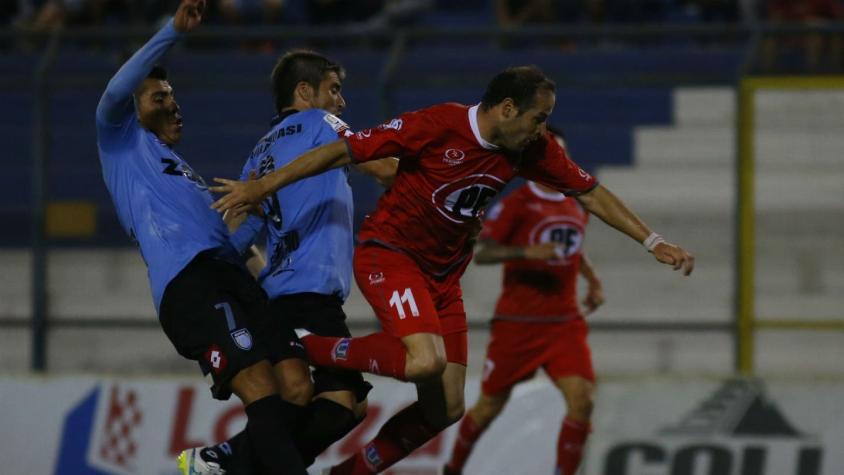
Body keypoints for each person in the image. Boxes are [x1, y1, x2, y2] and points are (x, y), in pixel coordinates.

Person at [210, 65, 695, 474]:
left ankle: (348, 472)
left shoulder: (530, 149)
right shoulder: (439, 124)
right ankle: (304, 343)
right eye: (538, 119)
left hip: (443, 279)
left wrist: (652, 240)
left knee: (446, 409)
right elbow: (347, 150)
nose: (542, 130)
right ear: (506, 109)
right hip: (390, 255)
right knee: (425, 360)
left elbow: (589, 191)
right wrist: (261, 187)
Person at [95, 1, 305, 473]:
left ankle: (220, 461)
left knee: (296, 387)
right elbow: (114, 93)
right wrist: (172, 30)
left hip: (228, 275)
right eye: (158, 97)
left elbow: (225, 244)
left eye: (172, 95)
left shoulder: (186, 177)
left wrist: (264, 209)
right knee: (261, 388)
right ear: (134, 109)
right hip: (190, 286)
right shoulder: (121, 143)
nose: (172, 103)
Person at [180, 49, 398, 473]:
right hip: (308, 296)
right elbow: (386, 168)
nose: (342, 101)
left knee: (335, 402)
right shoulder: (321, 124)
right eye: (334, 90)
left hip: (286, 296)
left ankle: (231, 460)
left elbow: (236, 243)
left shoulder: (257, 156)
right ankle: (228, 458)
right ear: (304, 91)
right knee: (332, 402)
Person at [443, 176, 604, 475]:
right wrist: (526, 252)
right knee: (489, 407)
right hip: (518, 325)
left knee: (583, 399)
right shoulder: (516, 203)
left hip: (564, 322)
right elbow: (486, 253)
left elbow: (573, 247)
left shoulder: (577, 202)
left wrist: (592, 279)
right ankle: (452, 468)